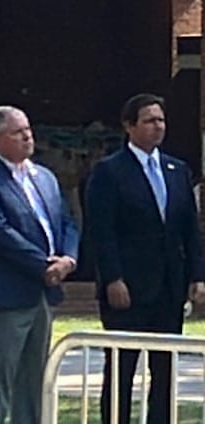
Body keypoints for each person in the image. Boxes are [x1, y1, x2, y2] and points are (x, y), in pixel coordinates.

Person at [85, 93, 205, 424]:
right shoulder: (110, 172)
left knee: (164, 369)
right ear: (129, 126)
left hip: (168, 287)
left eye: (161, 120)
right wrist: (113, 278)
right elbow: (102, 230)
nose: (158, 127)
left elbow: (189, 231)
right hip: (128, 287)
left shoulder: (176, 170)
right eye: (150, 120)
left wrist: (197, 276)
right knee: (122, 368)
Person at [0, 105, 79, 424]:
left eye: (28, 129)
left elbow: (67, 221)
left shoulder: (45, 177)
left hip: (43, 295)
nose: (28, 136)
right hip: (6, 296)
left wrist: (68, 259)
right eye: (18, 131)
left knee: (35, 381)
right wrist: (43, 265)